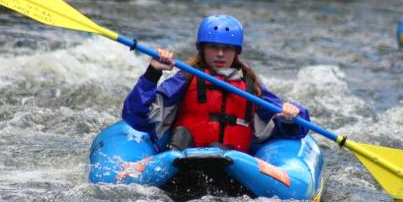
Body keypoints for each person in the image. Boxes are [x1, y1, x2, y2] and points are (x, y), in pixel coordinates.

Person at [121, 14, 310, 152]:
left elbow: (293, 126)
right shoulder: (186, 78)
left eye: (227, 48)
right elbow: (135, 115)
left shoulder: (250, 83)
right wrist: (153, 72)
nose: (220, 54)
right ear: (202, 49)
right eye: (213, 47)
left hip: (235, 163)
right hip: (184, 158)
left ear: (236, 52)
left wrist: (293, 114)